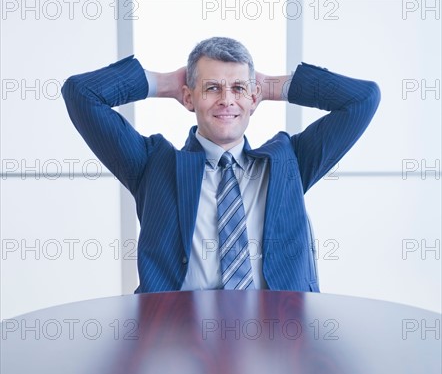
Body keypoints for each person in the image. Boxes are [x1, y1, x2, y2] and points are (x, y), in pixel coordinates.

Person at [61, 36, 380, 293]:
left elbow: (362, 99)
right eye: (212, 88)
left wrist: (273, 87)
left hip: (279, 335)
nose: (227, 99)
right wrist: (164, 83)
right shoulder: (153, 165)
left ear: (253, 98)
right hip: (177, 339)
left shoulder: (289, 162)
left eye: (239, 88)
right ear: (189, 98)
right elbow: (81, 93)